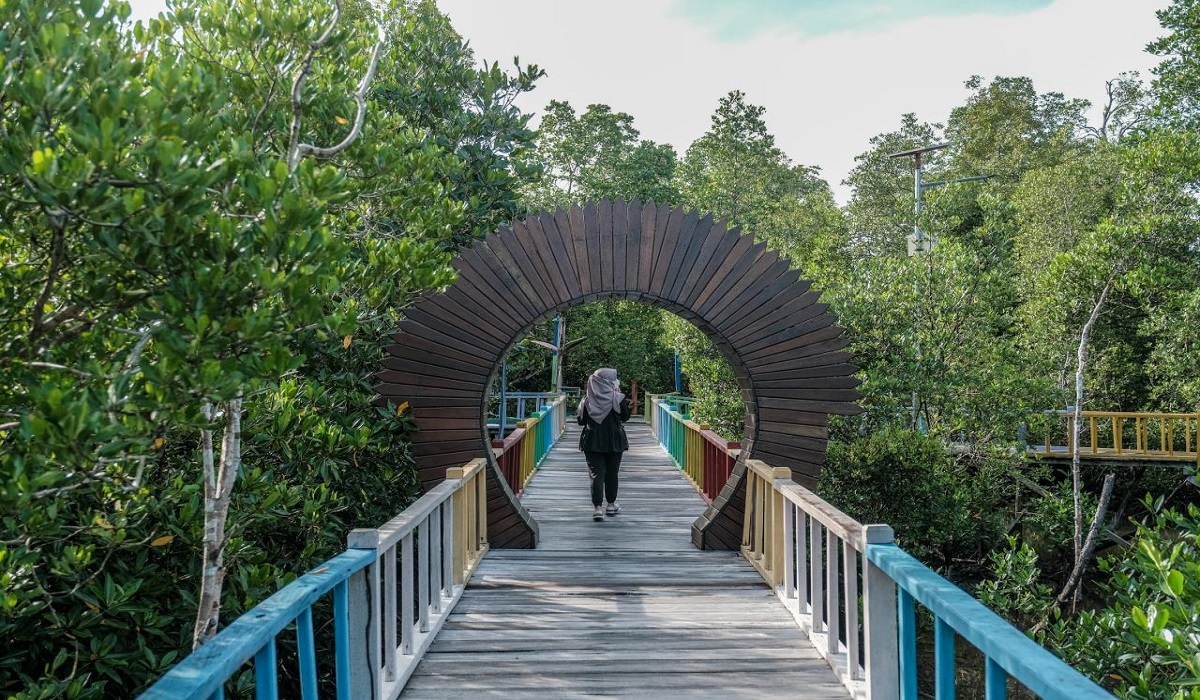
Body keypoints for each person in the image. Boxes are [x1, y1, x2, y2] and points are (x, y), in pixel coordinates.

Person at [577, 367, 631, 522]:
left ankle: (597, 508)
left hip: (592, 440)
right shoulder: (617, 397)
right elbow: (626, 417)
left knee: (596, 473)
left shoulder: (587, 400)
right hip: (614, 440)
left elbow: (581, 421)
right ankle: (611, 505)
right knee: (612, 472)